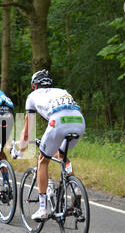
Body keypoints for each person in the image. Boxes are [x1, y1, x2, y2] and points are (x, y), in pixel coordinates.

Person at [13, 69, 86, 220]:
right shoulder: (62, 91)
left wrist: (20, 149)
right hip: (79, 120)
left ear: (34, 86)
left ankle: (42, 208)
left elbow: (27, 132)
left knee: (42, 160)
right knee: (61, 155)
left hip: (58, 121)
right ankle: (75, 188)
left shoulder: (32, 96)